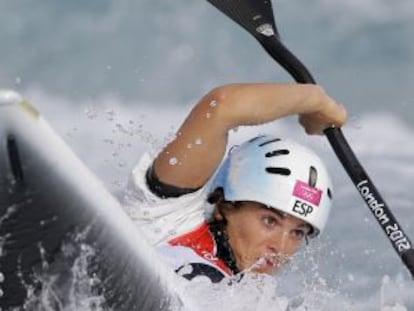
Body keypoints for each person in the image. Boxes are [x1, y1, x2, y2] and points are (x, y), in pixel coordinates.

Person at [123, 83, 347, 283]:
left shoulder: (252, 300)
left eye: (297, 233)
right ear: (224, 205)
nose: (280, 248)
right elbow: (221, 108)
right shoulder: (165, 217)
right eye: (270, 221)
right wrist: (314, 99)